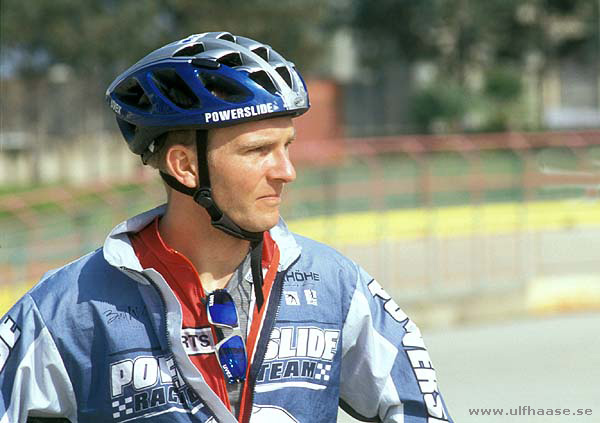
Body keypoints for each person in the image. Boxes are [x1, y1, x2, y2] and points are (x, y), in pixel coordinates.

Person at [0, 32, 453, 423]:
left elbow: (421, 410)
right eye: (258, 150)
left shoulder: (338, 286)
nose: (286, 171)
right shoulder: (64, 310)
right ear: (185, 166)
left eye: (287, 146)